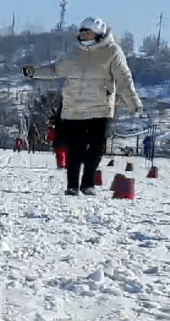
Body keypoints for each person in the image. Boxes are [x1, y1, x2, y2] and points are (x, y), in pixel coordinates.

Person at [24, 17, 143, 195]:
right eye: (82, 31)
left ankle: (88, 183)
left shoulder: (112, 52)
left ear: (99, 33)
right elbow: (56, 70)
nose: (84, 35)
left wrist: (133, 102)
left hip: (100, 108)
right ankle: (72, 185)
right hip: (74, 108)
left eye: (88, 31)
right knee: (75, 148)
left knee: (96, 147)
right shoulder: (74, 52)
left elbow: (124, 79)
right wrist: (35, 72)